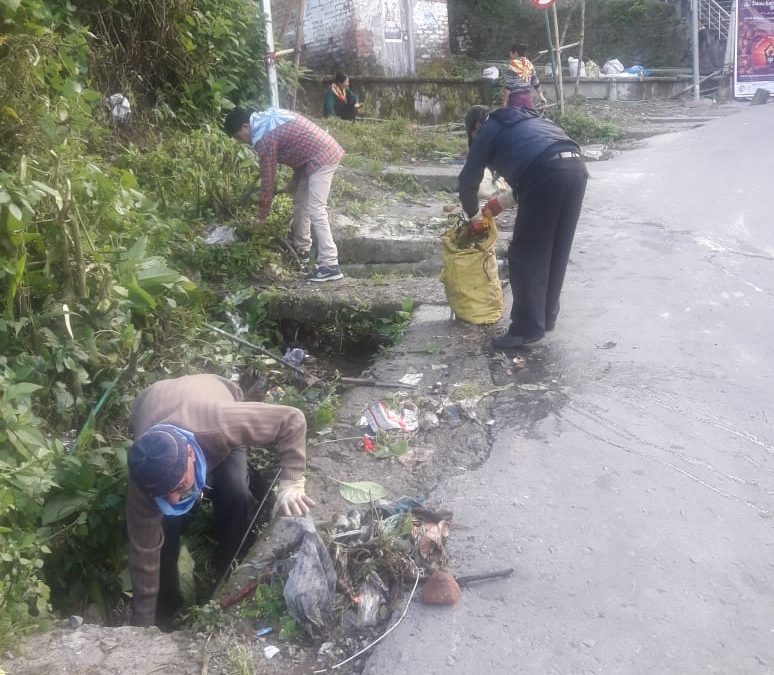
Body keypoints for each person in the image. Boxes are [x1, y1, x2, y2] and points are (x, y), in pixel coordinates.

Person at [125, 373, 315, 627]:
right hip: (151, 400)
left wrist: (292, 479)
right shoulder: (143, 480)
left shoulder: (221, 423)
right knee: (165, 524)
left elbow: (292, 419)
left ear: (192, 454)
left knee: (236, 493)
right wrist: (143, 625)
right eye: (164, 493)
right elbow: (143, 553)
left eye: (180, 486)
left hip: (211, 398)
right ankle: (167, 609)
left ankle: (227, 570)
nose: (174, 497)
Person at [459, 105, 588, 349]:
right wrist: (501, 202)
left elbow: (467, 181)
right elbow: (537, 160)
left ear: (475, 127)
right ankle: (546, 316)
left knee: (525, 253)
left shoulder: (488, 129)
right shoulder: (523, 119)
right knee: (556, 247)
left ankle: (527, 328)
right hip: (576, 167)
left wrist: (474, 217)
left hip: (548, 170)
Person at [224, 107, 344, 282]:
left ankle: (330, 265)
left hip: (322, 157)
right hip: (313, 157)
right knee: (301, 204)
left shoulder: (263, 137)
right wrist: (295, 179)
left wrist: (262, 216)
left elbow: (268, 178)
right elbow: (298, 145)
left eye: (238, 136)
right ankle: (303, 251)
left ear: (245, 126)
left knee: (316, 209)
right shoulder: (265, 121)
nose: (240, 141)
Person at [502, 43, 547, 110]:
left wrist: (505, 102)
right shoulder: (530, 65)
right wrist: (541, 97)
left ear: (515, 53)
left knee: (516, 119)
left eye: (511, 52)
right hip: (528, 99)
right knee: (528, 119)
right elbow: (535, 82)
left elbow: (508, 87)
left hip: (516, 100)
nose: (510, 55)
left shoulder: (511, 67)